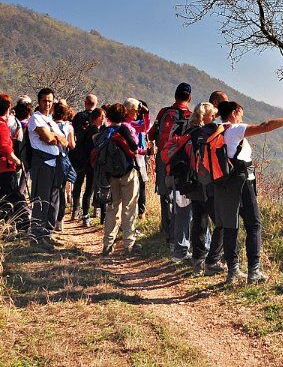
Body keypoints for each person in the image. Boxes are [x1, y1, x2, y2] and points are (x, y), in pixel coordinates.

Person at [210, 94, 283, 284]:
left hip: (224, 183)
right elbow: (266, 126)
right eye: (240, 114)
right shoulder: (235, 128)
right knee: (254, 224)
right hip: (242, 181)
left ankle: (232, 272)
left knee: (230, 226)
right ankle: (253, 272)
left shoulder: (217, 130)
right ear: (233, 113)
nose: (242, 118)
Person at [149, 83, 192, 252]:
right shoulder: (190, 115)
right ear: (189, 98)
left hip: (162, 158)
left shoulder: (164, 112)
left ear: (175, 96)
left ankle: (167, 234)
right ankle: (180, 235)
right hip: (181, 161)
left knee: (165, 195)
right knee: (182, 197)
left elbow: (151, 134)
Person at [96, 102, 141, 256]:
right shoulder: (125, 129)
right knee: (129, 208)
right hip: (128, 172)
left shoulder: (104, 131)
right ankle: (129, 244)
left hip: (110, 176)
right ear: (124, 115)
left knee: (112, 209)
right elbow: (134, 147)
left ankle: (108, 244)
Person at [185, 102, 224, 275]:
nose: (215, 117)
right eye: (212, 114)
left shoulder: (188, 131)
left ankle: (198, 260)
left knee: (199, 221)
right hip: (206, 183)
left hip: (192, 182)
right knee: (221, 222)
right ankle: (213, 260)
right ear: (205, 116)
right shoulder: (209, 131)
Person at [27, 87, 70, 241]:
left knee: (53, 201)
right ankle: (37, 235)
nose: (47, 103)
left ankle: (48, 233)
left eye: (50, 101)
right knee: (41, 201)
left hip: (55, 164)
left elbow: (65, 142)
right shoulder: (36, 118)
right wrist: (55, 136)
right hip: (42, 164)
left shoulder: (50, 120)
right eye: (44, 100)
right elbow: (48, 139)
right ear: (38, 102)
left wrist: (55, 136)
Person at [0, 95, 29, 233]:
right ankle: (23, 228)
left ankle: (2, 229)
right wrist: (18, 161)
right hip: (3, 169)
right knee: (16, 199)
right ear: (7, 110)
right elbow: (5, 149)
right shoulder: (1, 126)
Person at [70, 95, 101, 226]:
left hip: (80, 155)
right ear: (96, 103)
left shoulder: (78, 117)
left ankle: (75, 209)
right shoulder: (97, 120)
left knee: (78, 183)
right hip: (92, 158)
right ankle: (86, 214)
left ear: (85, 103)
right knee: (90, 187)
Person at [52, 103, 77, 224]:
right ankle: (59, 219)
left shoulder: (49, 125)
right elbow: (72, 145)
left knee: (50, 188)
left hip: (50, 158)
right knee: (61, 188)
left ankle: (51, 216)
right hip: (63, 159)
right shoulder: (69, 127)